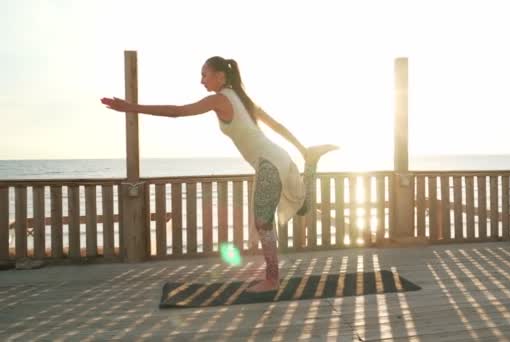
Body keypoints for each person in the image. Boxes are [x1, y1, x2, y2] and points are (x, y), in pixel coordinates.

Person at [101, 56, 337, 292]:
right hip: (279, 157)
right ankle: (311, 163)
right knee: (303, 208)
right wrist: (302, 150)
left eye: (205, 74)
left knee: (263, 223)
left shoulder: (220, 99)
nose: (201, 80)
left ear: (220, 76)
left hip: (269, 163)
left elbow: (177, 111)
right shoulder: (242, 99)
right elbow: (276, 126)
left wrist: (132, 108)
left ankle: (272, 280)